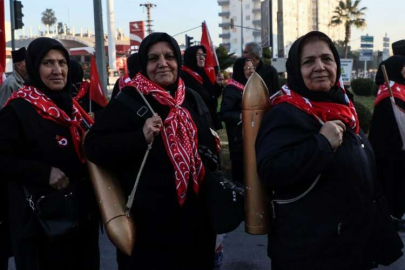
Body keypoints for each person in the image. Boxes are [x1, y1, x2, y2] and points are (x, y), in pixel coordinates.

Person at [255, 31, 403, 270]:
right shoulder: (284, 112)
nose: (320, 67)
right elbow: (271, 171)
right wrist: (321, 144)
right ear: (295, 69)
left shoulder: (343, 105)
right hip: (312, 255)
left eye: (326, 59)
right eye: (308, 61)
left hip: (352, 247)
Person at [84, 32, 219, 270]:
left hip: (196, 224)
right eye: (153, 58)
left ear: (178, 61)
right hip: (150, 231)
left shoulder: (188, 98)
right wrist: (139, 137)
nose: (163, 63)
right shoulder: (129, 100)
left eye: (169, 56)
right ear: (144, 65)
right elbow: (94, 147)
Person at [0, 37, 100, 270]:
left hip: (80, 221)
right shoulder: (17, 110)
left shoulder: (73, 109)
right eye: (48, 63)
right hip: (41, 228)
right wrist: (44, 172)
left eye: (62, 63)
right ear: (34, 67)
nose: (58, 70)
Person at [369, 55, 405, 230]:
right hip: (391, 152)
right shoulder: (390, 94)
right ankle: (391, 217)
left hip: (394, 150)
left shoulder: (395, 88)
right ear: (397, 69)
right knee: (391, 184)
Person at [220, 58, 254, 184]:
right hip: (238, 140)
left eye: (252, 68)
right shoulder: (231, 89)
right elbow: (224, 114)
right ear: (240, 70)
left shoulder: (251, 86)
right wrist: (239, 116)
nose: (251, 71)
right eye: (247, 68)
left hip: (252, 137)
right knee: (240, 175)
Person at [181, 45, 223, 130]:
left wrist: (217, 85)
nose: (202, 58)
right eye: (198, 55)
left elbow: (211, 96)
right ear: (191, 57)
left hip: (208, 120)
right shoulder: (184, 75)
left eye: (203, 55)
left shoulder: (203, 74)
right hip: (196, 123)